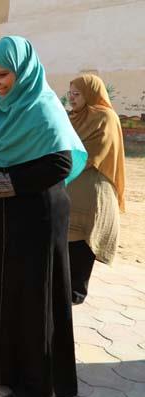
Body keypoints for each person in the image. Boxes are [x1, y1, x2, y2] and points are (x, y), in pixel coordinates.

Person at [0, 36, 87, 397]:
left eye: (3, 74)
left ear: (24, 70)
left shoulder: (43, 106)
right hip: (6, 212)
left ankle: (39, 386)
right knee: (5, 289)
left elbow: (60, 165)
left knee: (34, 295)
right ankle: (4, 366)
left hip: (38, 214)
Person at [67, 74, 125, 305]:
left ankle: (77, 291)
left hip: (93, 189)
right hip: (69, 185)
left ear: (90, 93)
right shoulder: (73, 117)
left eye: (77, 94)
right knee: (65, 239)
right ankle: (62, 285)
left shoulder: (106, 117)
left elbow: (95, 152)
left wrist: (64, 161)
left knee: (83, 239)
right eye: (70, 93)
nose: (71, 98)